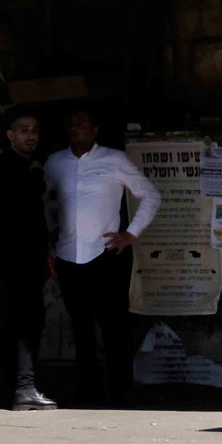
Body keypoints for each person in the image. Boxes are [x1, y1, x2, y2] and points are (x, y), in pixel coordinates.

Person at [43, 107, 160, 404]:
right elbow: (41, 200)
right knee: (80, 327)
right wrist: (50, 233)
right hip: (68, 256)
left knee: (114, 325)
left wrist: (130, 234)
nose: (74, 128)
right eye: (71, 124)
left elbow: (150, 195)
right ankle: (89, 389)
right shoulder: (55, 162)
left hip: (106, 253)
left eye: (81, 124)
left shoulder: (113, 159)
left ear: (95, 130)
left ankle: (120, 390)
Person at [0, 111, 57, 411]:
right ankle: (24, 387)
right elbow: (18, 210)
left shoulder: (24, 166)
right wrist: (36, 177)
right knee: (25, 325)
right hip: (16, 262)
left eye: (35, 130)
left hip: (26, 261)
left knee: (26, 323)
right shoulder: (7, 167)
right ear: (10, 135)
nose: (31, 136)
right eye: (24, 130)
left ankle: (18, 386)